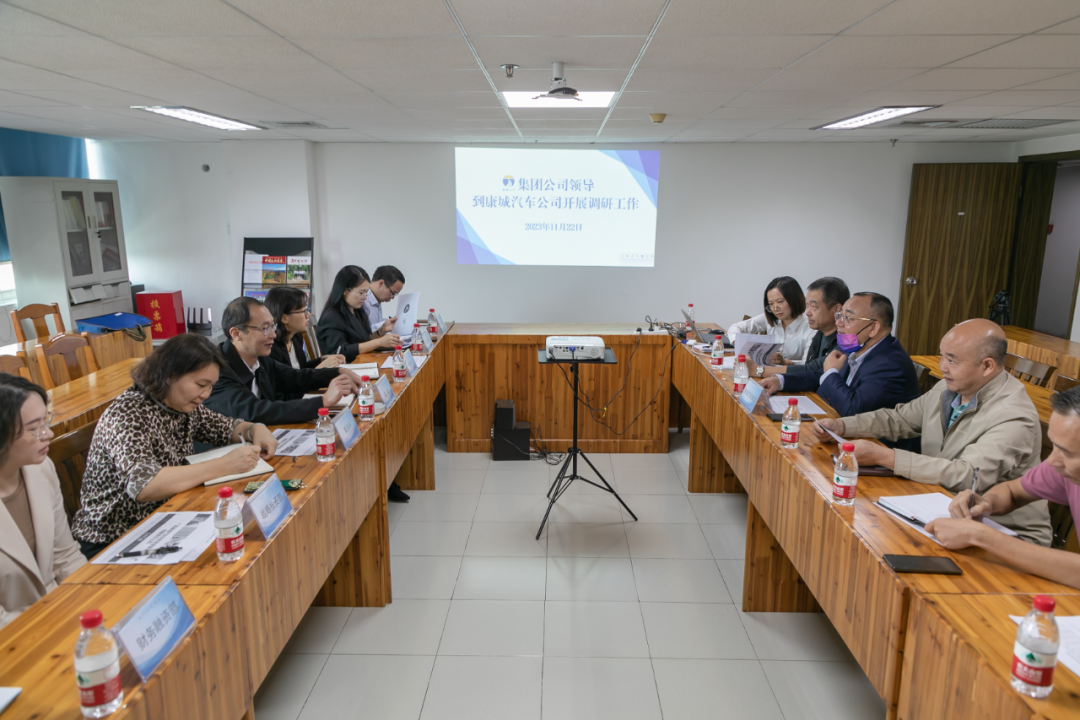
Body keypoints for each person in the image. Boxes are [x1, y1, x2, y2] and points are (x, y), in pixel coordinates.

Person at [813, 319, 1050, 544]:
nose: (942, 367)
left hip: (1005, 533)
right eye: (942, 356)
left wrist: (885, 457)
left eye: (952, 360)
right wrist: (843, 425)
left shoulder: (1013, 415)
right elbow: (899, 419)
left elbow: (966, 475)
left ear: (987, 366)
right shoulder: (950, 387)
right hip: (941, 507)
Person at [72, 334, 278, 558]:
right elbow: (144, 486)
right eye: (201, 385)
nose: (205, 395)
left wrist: (254, 429)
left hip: (165, 520)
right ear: (170, 375)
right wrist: (223, 465)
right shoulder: (128, 414)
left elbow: (227, 427)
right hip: (116, 538)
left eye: (211, 387)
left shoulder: (180, 405)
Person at [925, 385, 1080, 586]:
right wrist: (986, 502)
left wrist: (981, 536)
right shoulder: (1061, 468)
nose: (1051, 461)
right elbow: (1013, 492)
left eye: (1067, 452)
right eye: (1054, 446)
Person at [0, 374, 86, 628]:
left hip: (57, 611)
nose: (49, 433)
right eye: (34, 429)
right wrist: (54, 625)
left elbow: (65, 557)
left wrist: (91, 601)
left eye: (45, 421)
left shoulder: (41, 468)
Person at [205, 297, 361, 425]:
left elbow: (295, 377)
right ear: (236, 333)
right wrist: (323, 401)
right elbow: (255, 411)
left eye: (272, 326)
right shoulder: (216, 370)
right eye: (264, 328)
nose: (273, 335)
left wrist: (338, 372)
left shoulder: (260, 358)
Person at [761, 292, 921, 417]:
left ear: (873, 328)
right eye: (840, 316)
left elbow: (853, 410)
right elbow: (820, 374)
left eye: (848, 318)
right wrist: (780, 381)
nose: (838, 322)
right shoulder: (855, 344)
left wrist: (831, 372)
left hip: (875, 444)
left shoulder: (890, 364)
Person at [747, 277, 849, 380]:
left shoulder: (846, 341)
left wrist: (758, 370)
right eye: (807, 305)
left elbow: (812, 369)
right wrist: (780, 381)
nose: (807, 313)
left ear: (837, 309)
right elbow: (809, 369)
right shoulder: (820, 334)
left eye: (814, 306)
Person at [317, 266, 402, 359]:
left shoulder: (357, 310)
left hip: (360, 361)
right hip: (344, 365)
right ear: (345, 291)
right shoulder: (331, 318)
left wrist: (380, 331)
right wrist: (379, 342)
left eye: (366, 293)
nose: (365, 297)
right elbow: (340, 351)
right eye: (361, 293)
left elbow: (363, 339)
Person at [727, 276, 814, 365]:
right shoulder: (770, 318)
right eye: (771, 304)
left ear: (795, 299)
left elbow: (808, 365)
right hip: (764, 370)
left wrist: (785, 362)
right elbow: (735, 327)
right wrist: (738, 341)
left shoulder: (811, 327)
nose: (775, 308)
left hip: (792, 373)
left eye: (780, 302)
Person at [265, 286, 346, 375]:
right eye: (303, 311)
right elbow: (288, 380)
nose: (308, 315)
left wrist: (321, 360)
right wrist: (320, 368)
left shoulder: (296, 336)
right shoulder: (271, 347)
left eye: (307, 310)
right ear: (284, 318)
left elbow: (301, 368)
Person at [363, 265, 406, 337]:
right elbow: (362, 333)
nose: (392, 298)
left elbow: (375, 323)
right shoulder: (362, 301)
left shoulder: (377, 299)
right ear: (381, 283)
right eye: (392, 293)